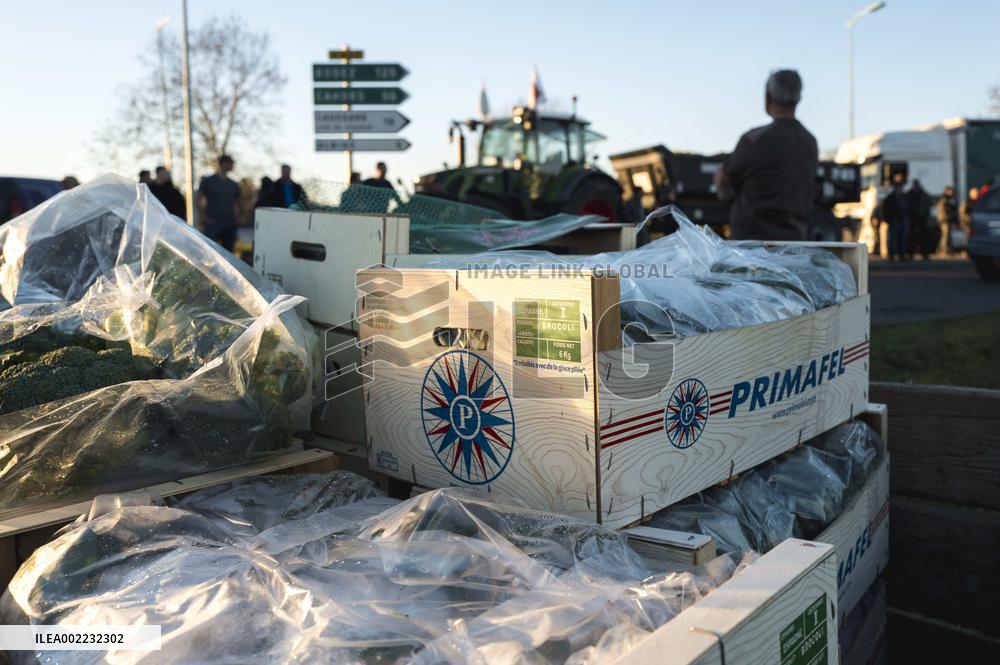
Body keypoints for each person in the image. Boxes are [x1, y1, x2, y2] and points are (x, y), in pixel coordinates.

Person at [713, 69, 818, 240]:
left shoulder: (753, 140)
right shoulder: (810, 142)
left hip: (751, 248)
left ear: (768, 96)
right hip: (794, 244)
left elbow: (725, 182)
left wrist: (719, 178)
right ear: (798, 98)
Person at [196, 154, 241, 251]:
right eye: (230, 164)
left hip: (229, 222)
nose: (232, 166)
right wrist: (204, 217)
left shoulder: (233, 184)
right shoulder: (208, 181)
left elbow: (236, 203)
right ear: (223, 164)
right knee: (209, 251)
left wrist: (237, 218)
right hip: (212, 222)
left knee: (228, 252)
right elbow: (198, 199)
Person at [881, 173, 910, 261]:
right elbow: (886, 210)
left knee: (902, 239)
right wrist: (889, 220)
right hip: (894, 221)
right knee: (893, 239)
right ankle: (891, 255)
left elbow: (908, 208)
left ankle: (901, 255)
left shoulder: (904, 197)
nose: (899, 189)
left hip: (903, 220)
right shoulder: (890, 198)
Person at [905, 179, 934, 259]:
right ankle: (910, 254)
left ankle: (925, 254)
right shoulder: (909, 195)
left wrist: (928, 218)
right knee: (912, 238)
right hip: (912, 219)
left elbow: (928, 207)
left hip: (922, 219)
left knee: (923, 238)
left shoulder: (923, 195)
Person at [936, 185, 959, 255]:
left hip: (947, 220)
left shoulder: (949, 200)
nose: (951, 193)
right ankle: (944, 251)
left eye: (951, 191)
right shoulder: (944, 200)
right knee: (945, 236)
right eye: (949, 191)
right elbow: (944, 211)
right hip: (944, 220)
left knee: (946, 236)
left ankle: (941, 250)